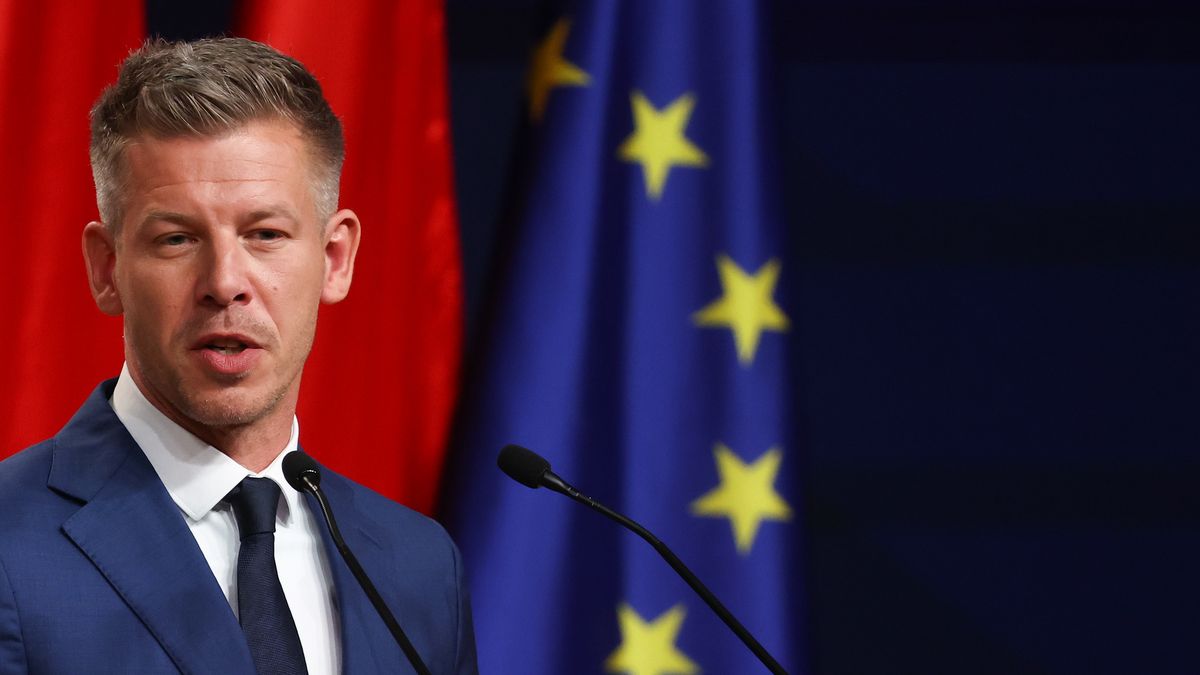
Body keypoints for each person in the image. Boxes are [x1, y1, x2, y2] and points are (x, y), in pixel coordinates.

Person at [0, 38, 477, 674]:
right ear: (107, 269)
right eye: (176, 238)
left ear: (335, 260)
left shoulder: (416, 564)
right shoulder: (10, 544)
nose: (225, 281)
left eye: (265, 235)